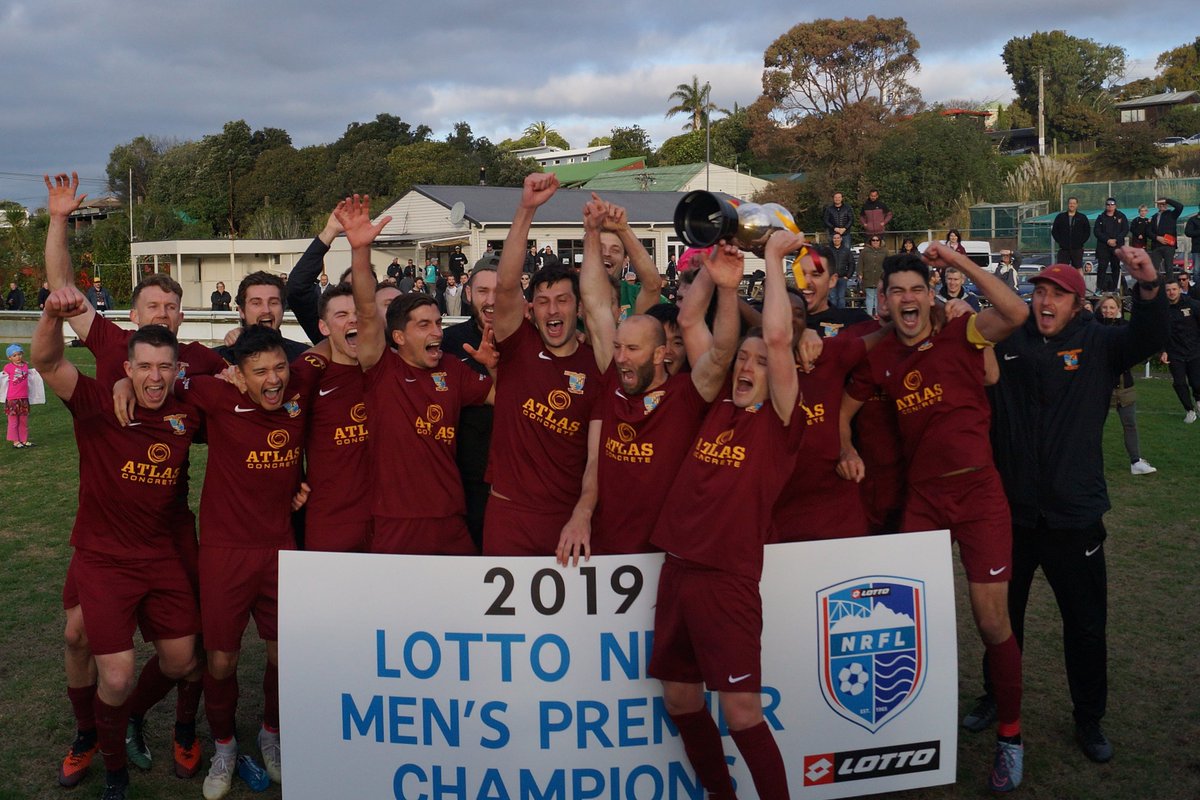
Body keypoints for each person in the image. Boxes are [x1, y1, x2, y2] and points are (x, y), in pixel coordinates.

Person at [44, 172, 223, 786]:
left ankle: (171, 727)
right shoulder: (116, 345)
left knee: (189, 653)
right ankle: (93, 729)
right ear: (134, 317)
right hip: (107, 524)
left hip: (173, 526)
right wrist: (60, 219)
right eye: (154, 307)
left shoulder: (200, 362)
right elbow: (62, 292)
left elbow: (257, 392)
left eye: (173, 308)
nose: (165, 314)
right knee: (78, 634)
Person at [839, 244, 1031, 792]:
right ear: (884, 299)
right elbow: (842, 413)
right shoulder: (878, 358)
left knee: (992, 621)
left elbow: (1016, 314)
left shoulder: (961, 332)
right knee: (909, 625)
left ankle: (1010, 737)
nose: (907, 298)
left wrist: (959, 264)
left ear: (931, 295)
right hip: (922, 501)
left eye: (916, 289)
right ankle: (910, 734)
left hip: (978, 495)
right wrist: (844, 448)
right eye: (895, 290)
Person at [982, 252, 1167, 766]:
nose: (1045, 300)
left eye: (1058, 294)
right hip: (1013, 514)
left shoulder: (1100, 343)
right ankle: (993, 697)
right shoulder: (1010, 339)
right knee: (1001, 621)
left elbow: (1150, 337)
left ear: (1077, 305)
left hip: (1074, 514)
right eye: (1040, 291)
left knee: (1085, 626)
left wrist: (1149, 283)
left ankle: (1089, 718)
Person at [648, 229, 804, 800]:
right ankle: (721, 794)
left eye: (758, 363)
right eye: (743, 356)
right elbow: (691, 324)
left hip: (726, 579)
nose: (747, 365)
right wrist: (715, 277)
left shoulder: (781, 423)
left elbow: (781, 338)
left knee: (741, 714)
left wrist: (771, 262)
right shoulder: (714, 404)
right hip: (679, 571)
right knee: (681, 699)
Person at [32, 304, 202, 800]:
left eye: (164, 367)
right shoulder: (96, 403)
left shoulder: (189, 410)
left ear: (178, 370)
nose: (155, 377)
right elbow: (47, 363)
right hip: (104, 560)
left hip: (162, 556)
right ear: (125, 369)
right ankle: (113, 771)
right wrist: (49, 317)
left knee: (179, 661)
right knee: (114, 670)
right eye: (144, 367)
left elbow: (253, 407)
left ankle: (120, 720)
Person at [563, 197, 737, 560]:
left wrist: (727, 287)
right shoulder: (613, 380)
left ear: (660, 355)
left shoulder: (686, 394)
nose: (620, 357)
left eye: (632, 350)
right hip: (610, 550)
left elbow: (721, 353)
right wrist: (591, 232)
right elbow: (594, 304)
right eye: (618, 347)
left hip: (671, 553)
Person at [179, 325, 311, 797]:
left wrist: (308, 484)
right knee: (221, 659)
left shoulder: (300, 388)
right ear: (241, 372)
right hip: (224, 551)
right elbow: (168, 362)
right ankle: (225, 745)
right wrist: (218, 366)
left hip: (280, 547)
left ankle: (270, 734)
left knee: (284, 655)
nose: (273, 380)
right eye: (260, 372)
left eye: (279, 368)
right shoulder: (217, 394)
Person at [340, 194, 494, 555]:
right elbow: (365, 309)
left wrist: (495, 368)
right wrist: (361, 250)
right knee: (398, 613)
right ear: (398, 337)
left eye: (439, 323)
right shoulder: (382, 368)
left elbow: (502, 398)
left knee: (458, 610)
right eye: (424, 325)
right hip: (397, 522)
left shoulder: (454, 369)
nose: (437, 332)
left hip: (451, 518)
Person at [483, 173, 601, 556]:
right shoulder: (518, 346)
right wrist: (526, 209)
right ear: (531, 311)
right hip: (508, 515)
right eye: (544, 301)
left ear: (579, 309)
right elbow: (505, 285)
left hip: (567, 521)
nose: (553, 309)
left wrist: (583, 512)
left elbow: (596, 458)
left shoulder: (596, 365)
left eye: (563, 300)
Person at [288, 283, 373, 553]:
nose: (352, 319)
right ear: (324, 328)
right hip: (331, 520)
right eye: (341, 315)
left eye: (357, 312)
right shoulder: (310, 377)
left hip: (386, 519)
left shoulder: (385, 371)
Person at [442, 256, 501, 549]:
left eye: (499, 291)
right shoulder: (445, 343)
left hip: (516, 487)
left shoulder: (531, 340)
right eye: (482, 291)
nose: (491, 300)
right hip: (461, 485)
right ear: (468, 293)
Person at [1096, 294, 1156, 475]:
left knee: (1130, 423)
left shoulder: (1127, 328)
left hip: (1124, 384)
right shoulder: (1093, 328)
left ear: (1118, 309)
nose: (1108, 311)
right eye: (1105, 308)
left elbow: (1140, 350)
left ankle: (1135, 461)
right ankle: (1083, 462)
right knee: (1091, 425)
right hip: (1099, 385)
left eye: (1112, 307)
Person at [216, 271, 309, 362]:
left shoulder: (303, 359)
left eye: (273, 303)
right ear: (241, 311)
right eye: (256, 303)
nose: (266, 310)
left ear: (283, 308)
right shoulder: (219, 361)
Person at [798, 242, 870, 336]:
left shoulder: (855, 323)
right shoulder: (782, 323)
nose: (806, 281)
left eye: (815, 275)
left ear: (832, 281)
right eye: (800, 274)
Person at [1161, 273, 1200, 423]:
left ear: (1179, 289)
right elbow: (1159, 332)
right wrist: (1163, 350)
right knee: (1179, 383)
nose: (1171, 292)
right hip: (1175, 353)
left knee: (1196, 382)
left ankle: (1198, 401)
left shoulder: (1192, 304)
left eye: (1174, 289)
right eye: (1168, 290)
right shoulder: (1162, 310)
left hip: (1194, 350)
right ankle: (1189, 410)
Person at [2, 343, 42, 447]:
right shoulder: (8, 367)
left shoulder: (25, 366)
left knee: (23, 421)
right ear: (9, 357)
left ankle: (23, 440)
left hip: (24, 398)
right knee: (13, 421)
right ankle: (15, 441)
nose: (18, 357)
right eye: (14, 355)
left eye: (19, 354)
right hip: (12, 399)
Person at [1093, 198, 1129, 293]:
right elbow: (1096, 231)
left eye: (1112, 205)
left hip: (1116, 247)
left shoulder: (1121, 216)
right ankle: (1099, 288)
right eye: (1108, 204)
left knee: (1116, 267)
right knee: (1102, 267)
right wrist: (1107, 240)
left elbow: (1125, 230)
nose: (1110, 206)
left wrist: (1116, 240)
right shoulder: (1100, 217)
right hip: (1103, 247)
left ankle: (1115, 289)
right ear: (1106, 206)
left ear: (1115, 206)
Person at [1052, 197, 1090, 269]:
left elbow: (1087, 232)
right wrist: (1061, 242)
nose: (1072, 205)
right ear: (1068, 204)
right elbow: (1054, 231)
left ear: (1077, 205)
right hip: (1064, 249)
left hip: (1077, 249)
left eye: (1074, 203)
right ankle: (1062, 281)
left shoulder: (1082, 217)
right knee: (1062, 269)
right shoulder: (1060, 217)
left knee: (1078, 268)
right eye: (1070, 203)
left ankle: (1079, 280)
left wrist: (1080, 242)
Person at [1150, 197, 1185, 274]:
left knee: (1168, 267)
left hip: (1168, 245)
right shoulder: (1154, 217)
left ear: (1166, 205)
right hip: (1156, 245)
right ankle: (1156, 285)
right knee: (1154, 269)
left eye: (1163, 204)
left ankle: (1169, 284)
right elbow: (1148, 231)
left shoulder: (1172, 214)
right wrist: (1157, 237)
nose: (1162, 205)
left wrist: (1168, 200)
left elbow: (1180, 206)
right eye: (1160, 204)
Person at [858, 235, 887, 316]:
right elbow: (860, 263)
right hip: (868, 276)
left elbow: (889, 262)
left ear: (880, 241)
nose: (875, 242)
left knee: (878, 297)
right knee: (870, 297)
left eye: (877, 240)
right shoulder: (865, 251)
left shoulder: (885, 251)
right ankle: (869, 315)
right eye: (873, 240)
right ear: (870, 241)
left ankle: (878, 315)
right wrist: (860, 273)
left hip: (880, 277)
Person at [827, 232, 855, 310]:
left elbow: (851, 264)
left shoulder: (846, 251)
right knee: (832, 298)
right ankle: (833, 316)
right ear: (832, 239)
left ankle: (841, 316)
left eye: (838, 238)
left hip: (842, 278)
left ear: (841, 239)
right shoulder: (828, 250)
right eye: (835, 238)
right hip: (831, 278)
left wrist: (848, 276)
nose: (836, 239)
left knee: (841, 298)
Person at [1185, 207, 1200, 281]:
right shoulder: (1192, 220)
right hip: (1197, 248)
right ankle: (1197, 290)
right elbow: (1188, 232)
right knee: (1196, 270)